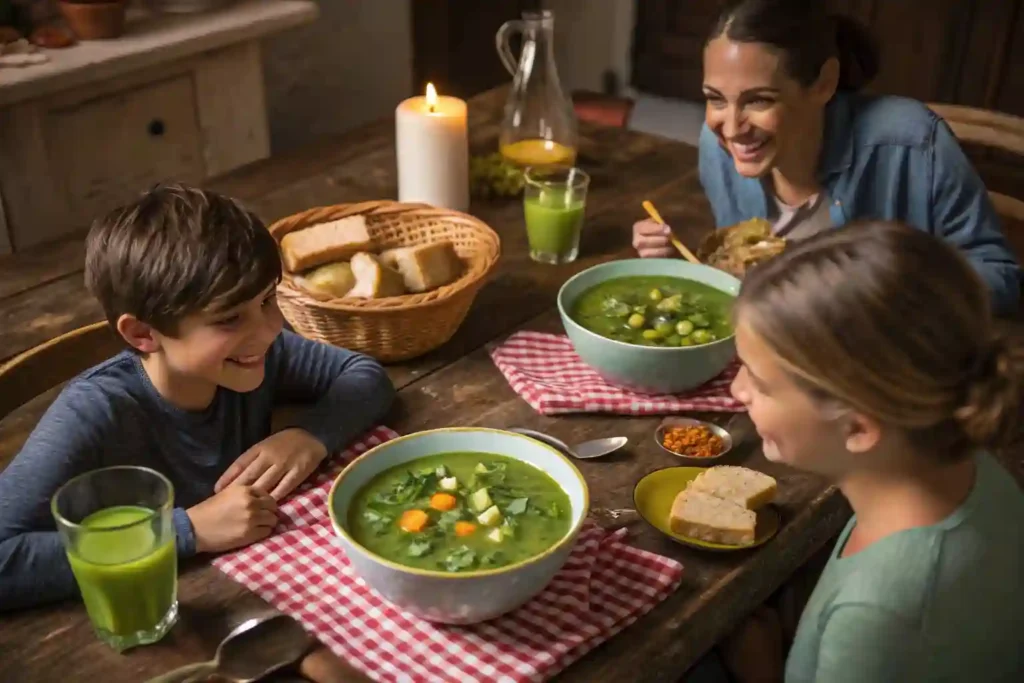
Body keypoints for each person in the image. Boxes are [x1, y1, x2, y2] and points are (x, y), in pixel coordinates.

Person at [0, 184, 396, 611]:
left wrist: (308, 437)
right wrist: (190, 530)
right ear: (144, 334)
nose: (267, 330)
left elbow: (364, 374)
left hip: (259, 589)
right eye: (229, 319)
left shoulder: (260, 351)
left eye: (267, 300)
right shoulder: (94, 412)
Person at [702, 221, 1024, 682]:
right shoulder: (973, 469)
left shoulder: (879, 613)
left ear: (857, 426)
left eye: (760, 381)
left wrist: (762, 671)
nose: (737, 391)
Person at [633, 0, 1021, 316]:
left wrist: (894, 289)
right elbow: (746, 285)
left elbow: (1001, 278)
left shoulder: (915, 142)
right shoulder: (717, 147)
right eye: (715, 98)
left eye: (760, 100)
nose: (731, 128)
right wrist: (679, 264)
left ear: (823, 83)